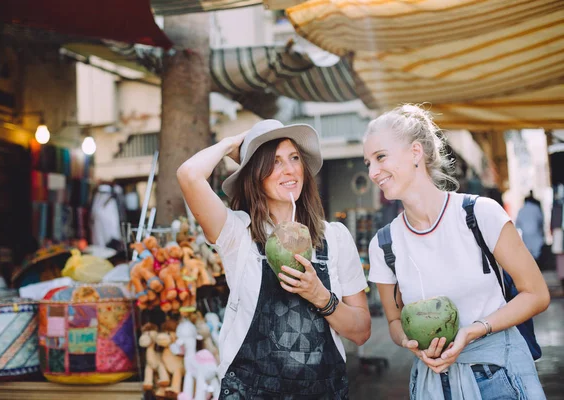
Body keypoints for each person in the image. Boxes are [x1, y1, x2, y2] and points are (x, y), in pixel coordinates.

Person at [362, 105, 550, 399]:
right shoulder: (384, 244)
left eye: (380, 157)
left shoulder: (479, 214)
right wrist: (410, 343)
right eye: (368, 163)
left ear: (415, 153)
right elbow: (394, 322)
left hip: (498, 376)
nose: (373, 172)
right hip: (432, 385)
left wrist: (474, 330)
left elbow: (537, 294)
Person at [178, 120, 371, 399]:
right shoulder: (237, 235)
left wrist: (321, 297)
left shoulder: (335, 238)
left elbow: (362, 331)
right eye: (275, 162)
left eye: (294, 158)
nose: (289, 169)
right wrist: (234, 144)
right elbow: (188, 175)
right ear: (256, 175)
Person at [516, 191, 545, 265]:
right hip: (535, 232)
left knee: (529, 251)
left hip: (525, 233)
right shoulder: (536, 208)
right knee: (537, 251)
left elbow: (517, 224)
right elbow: (541, 220)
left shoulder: (521, 210)